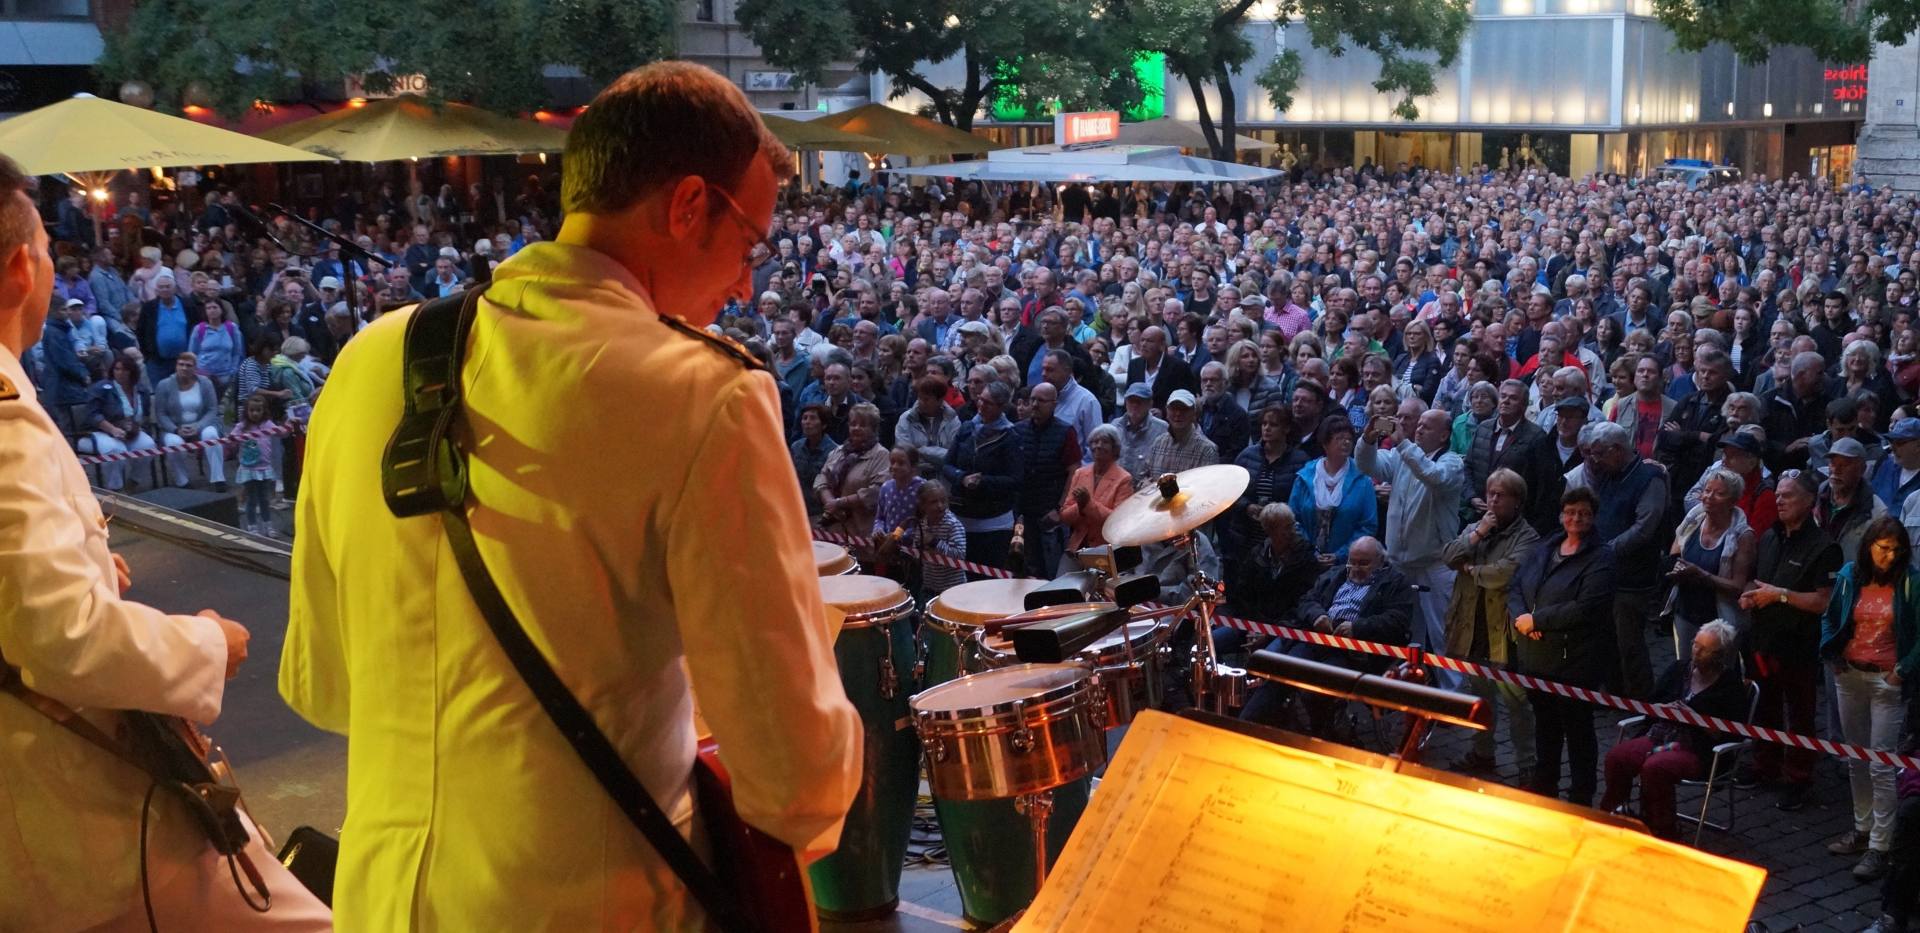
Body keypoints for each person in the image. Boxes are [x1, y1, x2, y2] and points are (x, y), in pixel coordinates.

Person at [281, 63, 861, 929]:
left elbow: (324, 685)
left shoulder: (368, 359)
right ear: (690, 205)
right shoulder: (706, 395)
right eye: (750, 244)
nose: (746, 284)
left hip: (379, 899)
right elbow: (795, 776)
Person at [0, 152, 327, 931]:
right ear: (20, 267)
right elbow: (63, 636)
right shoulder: (7, 428)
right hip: (78, 819)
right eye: (48, 247)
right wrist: (205, 643)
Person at [1820, 516, 1919, 882]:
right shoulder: (1851, 575)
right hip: (1851, 676)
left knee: (1880, 764)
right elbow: (1831, 618)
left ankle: (1881, 843)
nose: (1889, 556)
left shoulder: (1911, 583)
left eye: (1895, 550)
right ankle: (1862, 829)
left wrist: (1901, 671)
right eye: (1882, 548)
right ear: (1869, 547)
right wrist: (1831, 655)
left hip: (1886, 682)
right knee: (1855, 758)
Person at [1736, 470, 1842, 812]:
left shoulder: (1825, 548)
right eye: (1779, 494)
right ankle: (1765, 764)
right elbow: (1759, 580)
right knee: (1763, 706)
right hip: (1764, 640)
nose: (1779, 500)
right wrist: (1751, 595)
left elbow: (1823, 602)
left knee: (1800, 714)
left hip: (1799, 646)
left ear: (1809, 501)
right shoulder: (1770, 536)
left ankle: (1798, 778)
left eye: (1789, 496)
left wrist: (1780, 596)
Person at [1238, 536, 1414, 735]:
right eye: (1352, 561)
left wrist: (1358, 627)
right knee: (1279, 672)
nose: (1356, 568)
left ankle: (1323, 735)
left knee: (1316, 686)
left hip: (1353, 652)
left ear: (1380, 561)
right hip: (1317, 639)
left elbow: (1397, 620)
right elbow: (1306, 600)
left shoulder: (1396, 582)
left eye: (1364, 563)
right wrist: (1318, 616)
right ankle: (1245, 726)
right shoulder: (1336, 574)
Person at [1509, 486, 1616, 806]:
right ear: (1561, 515)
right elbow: (1516, 586)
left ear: (1594, 517)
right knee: (1546, 725)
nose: (1576, 518)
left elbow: (1587, 607)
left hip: (1576, 660)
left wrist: (1538, 620)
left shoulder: (1602, 557)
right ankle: (1545, 784)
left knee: (1578, 729)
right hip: (1536, 654)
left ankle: (1581, 794)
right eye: (1570, 512)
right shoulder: (1546, 546)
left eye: (1584, 513)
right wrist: (1522, 619)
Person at [1598, 620, 1751, 839]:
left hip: (1696, 747)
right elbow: (1651, 703)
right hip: (1660, 734)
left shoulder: (1729, 685)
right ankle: (1612, 815)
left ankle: (1663, 829)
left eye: (1704, 649)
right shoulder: (1679, 669)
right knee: (1617, 757)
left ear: (1719, 656)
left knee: (1655, 768)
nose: (1696, 651)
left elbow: (1731, 733)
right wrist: (1663, 709)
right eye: (1695, 644)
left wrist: (1695, 719)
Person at [1441, 467, 1541, 780]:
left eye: (1501, 495)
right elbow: (1448, 556)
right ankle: (1482, 752)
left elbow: (1504, 573)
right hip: (1472, 624)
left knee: (1516, 700)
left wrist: (1470, 570)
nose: (1493, 501)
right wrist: (1478, 533)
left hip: (1504, 629)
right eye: (1490, 494)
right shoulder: (1476, 526)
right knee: (1480, 694)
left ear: (1517, 501)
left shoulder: (1528, 536)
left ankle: (1527, 764)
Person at [1359, 405, 1466, 681]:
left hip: (1435, 563)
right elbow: (1366, 465)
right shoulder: (1401, 455)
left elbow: (1433, 476)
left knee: (1441, 633)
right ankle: (1412, 688)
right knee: (1406, 632)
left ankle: (1450, 698)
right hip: (1401, 562)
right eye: (1419, 425)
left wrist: (1404, 443)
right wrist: (1368, 439)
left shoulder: (1452, 462)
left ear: (1444, 436)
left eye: (1426, 426)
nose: (1418, 428)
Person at [1582, 420, 1670, 699]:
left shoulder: (1649, 479)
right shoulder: (1608, 472)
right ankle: (1613, 693)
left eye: (1599, 453)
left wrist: (1608, 549)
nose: (1594, 460)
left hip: (1633, 577)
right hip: (1606, 570)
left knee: (1628, 643)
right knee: (1605, 638)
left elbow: (1645, 527)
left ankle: (1641, 702)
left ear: (1617, 450)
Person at [1665, 467, 1757, 668]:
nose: (1709, 497)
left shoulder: (1742, 536)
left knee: (1717, 672)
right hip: (1685, 611)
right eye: (1707, 490)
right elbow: (1675, 551)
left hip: (1719, 618)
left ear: (1733, 501)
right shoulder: (1693, 519)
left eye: (1719, 493)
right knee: (1686, 668)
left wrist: (1701, 575)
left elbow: (1737, 586)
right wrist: (1675, 570)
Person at [945, 380, 1024, 575]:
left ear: (1001, 406)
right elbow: (947, 464)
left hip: (993, 523)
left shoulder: (1011, 436)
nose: (981, 405)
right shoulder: (966, 428)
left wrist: (983, 482)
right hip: (961, 516)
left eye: (988, 403)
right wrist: (962, 478)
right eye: (981, 400)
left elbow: (1015, 480)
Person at [1289, 413, 1378, 565]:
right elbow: (1292, 519)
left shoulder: (1362, 479)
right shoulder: (1305, 477)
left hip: (1346, 564)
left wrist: (1341, 554)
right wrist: (1309, 551)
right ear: (1325, 443)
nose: (1346, 443)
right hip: (1305, 561)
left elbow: (1368, 525)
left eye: (1349, 439)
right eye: (1339, 439)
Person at [1014, 381, 1081, 577]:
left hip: (1050, 515)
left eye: (1041, 400)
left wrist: (1060, 509)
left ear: (1054, 403)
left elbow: (1074, 473)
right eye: (1032, 399)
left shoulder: (1065, 432)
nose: (1035, 404)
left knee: (1050, 572)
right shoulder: (1018, 430)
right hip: (1022, 513)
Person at [1059, 423, 1134, 563]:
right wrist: (1080, 507)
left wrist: (1087, 504)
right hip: (1076, 548)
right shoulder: (1080, 474)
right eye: (1094, 442)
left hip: (1106, 551)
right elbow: (1065, 515)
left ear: (1115, 448)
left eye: (1104, 442)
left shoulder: (1124, 479)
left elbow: (1118, 520)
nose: (1098, 446)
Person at [815, 402, 890, 539]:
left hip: (861, 534)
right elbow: (822, 477)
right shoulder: (839, 451)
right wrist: (830, 502)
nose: (856, 428)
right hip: (832, 531)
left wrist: (840, 503)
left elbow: (876, 492)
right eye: (853, 424)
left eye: (862, 425)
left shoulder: (882, 455)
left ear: (874, 428)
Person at [155, 351, 228, 490]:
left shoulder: (205, 383)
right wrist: (176, 430)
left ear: (195, 368)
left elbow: (212, 409)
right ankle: (182, 480)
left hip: (201, 424)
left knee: (211, 435)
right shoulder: (163, 385)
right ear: (176, 366)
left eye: (188, 365)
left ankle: (218, 478)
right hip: (175, 427)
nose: (184, 368)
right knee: (173, 442)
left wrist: (198, 427)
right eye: (181, 364)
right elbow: (161, 414)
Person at [1145, 388, 1219, 477]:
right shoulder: (1158, 443)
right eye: (1173, 408)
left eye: (1184, 409)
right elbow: (1146, 476)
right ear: (1167, 412)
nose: (1178, 413)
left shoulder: (1207, 450)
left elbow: (1209, 486)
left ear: (1194, 414)